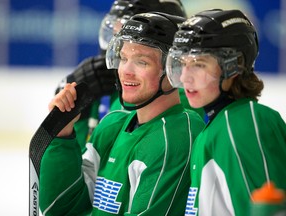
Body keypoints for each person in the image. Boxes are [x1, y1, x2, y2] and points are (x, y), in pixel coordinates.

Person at [40, 12, 205, 215]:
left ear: (174, 70)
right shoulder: (113, 123)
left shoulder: (175, 138)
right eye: (124, 58)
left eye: (141, 62)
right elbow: (63, 209)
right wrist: (62, 137)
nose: (126, 70)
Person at [165, 9, 286, 216]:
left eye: (199, 64)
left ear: (234, 66)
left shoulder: (242, 122)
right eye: (182, 64)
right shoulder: (215, 125)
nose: (185, 77)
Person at [53, 0, 204, 149]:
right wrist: (74, 121)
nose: (119, 51)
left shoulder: (178, 97)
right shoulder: (108, 85)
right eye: (116, 37)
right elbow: (86, 163)